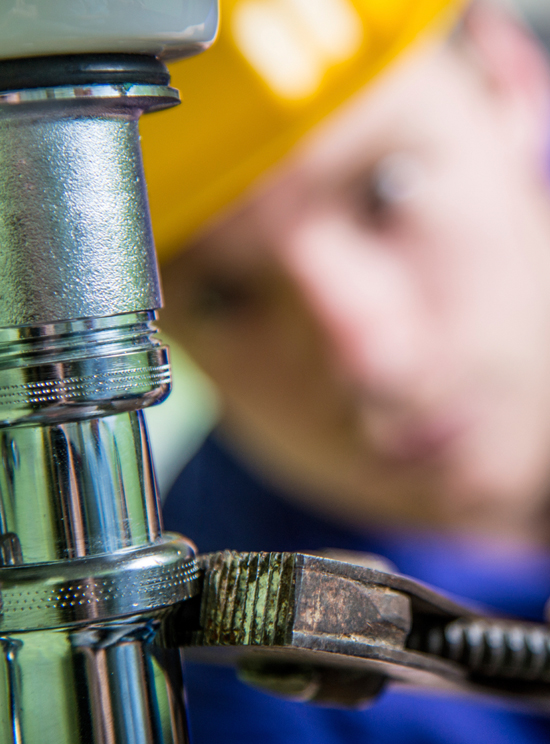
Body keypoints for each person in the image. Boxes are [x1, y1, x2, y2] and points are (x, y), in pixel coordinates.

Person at [141, 0, 550, 741]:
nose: (373, 365)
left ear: (510, 75)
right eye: (221, 297)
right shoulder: (196, 676)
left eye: (384, 192)